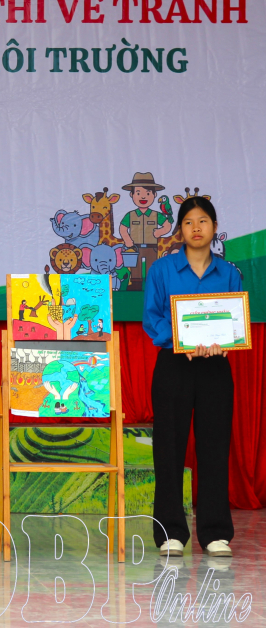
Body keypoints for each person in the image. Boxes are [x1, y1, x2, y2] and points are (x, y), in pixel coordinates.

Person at [143, 196, 242, 558]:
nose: (196, 228)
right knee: (168, 448)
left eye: (203, 221)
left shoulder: (229, 273)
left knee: (214, 447)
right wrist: (179, 342)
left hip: (215, 368)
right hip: (174, 366)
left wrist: (228, 342)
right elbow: (152, 318)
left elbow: (235, 320)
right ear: (179, 230)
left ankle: (216, 532)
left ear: (214, 228)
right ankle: (170, 532)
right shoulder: (162, 270)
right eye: (188, 222)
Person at [118, 172, 171, 289]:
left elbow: (167, 225)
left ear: (154, 195)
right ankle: (136, 285)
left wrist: (159, 232)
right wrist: (127, 240)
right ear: (132, 194)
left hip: (151, 247)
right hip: (135, 247)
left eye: (148, 193)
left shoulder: (156, 215)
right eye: (138, 193)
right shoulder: (130, 215)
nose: (143, 197)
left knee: (151, 266)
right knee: (136, 267)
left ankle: (151, 286)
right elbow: (122, 228)